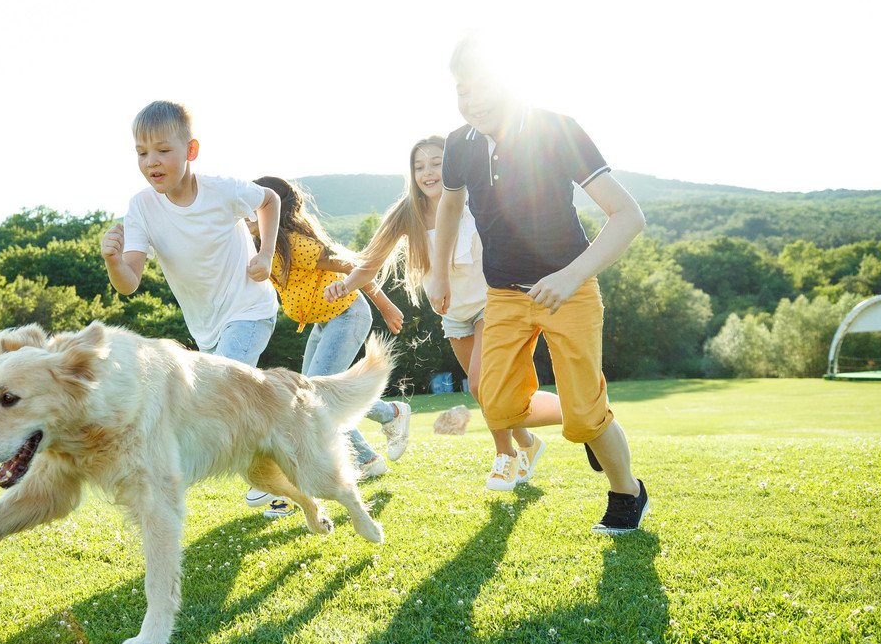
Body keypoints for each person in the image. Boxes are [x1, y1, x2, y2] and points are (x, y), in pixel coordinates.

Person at [429, 36, 650, 534]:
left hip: (569, 292)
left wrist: (571, 275)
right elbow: (448, 205)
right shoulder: (460, 144)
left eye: (483, 87)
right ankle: (590, 423)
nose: (472, 100)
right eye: (463, 90)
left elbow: (628, 216)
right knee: (498, 404)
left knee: (585, 416)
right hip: (504, 295)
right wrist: (439, 271)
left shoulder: (556, 129)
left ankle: (626, 492)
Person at [327, 137, 562, 492]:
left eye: (436, 163)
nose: (428, 173)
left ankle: (506, 456)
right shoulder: (406, 214)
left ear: (452, 165)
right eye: (419, 166)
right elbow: (369, 263)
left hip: (493, 302)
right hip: (453, 313)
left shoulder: (476, 201)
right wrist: (344, 286)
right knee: (485, 393)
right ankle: (529, 442)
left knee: (484, 384)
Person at [101, 100, 283, 511]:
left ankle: (269, 484)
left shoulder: (222, 190)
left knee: (226, 394)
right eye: (141, 152)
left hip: (250, 309)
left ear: (191, 151)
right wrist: (113, 261)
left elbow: (269, 199)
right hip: (206, 328)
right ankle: (347, 440)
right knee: (222, 401)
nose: (152, 162)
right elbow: (129, 283)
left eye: (163, 150)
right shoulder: (141, 208)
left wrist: (266, 254)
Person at [248, 176, 411, 518]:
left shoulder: (296, 243)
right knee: (310, 400)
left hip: (347, 315)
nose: (245, 215)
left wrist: (385, 306)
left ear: (271, 210)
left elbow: (354, 267)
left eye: (252, 206)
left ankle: (302, 489)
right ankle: (370, 452)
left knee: (311, 402)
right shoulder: (261, 245)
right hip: (323, 323)